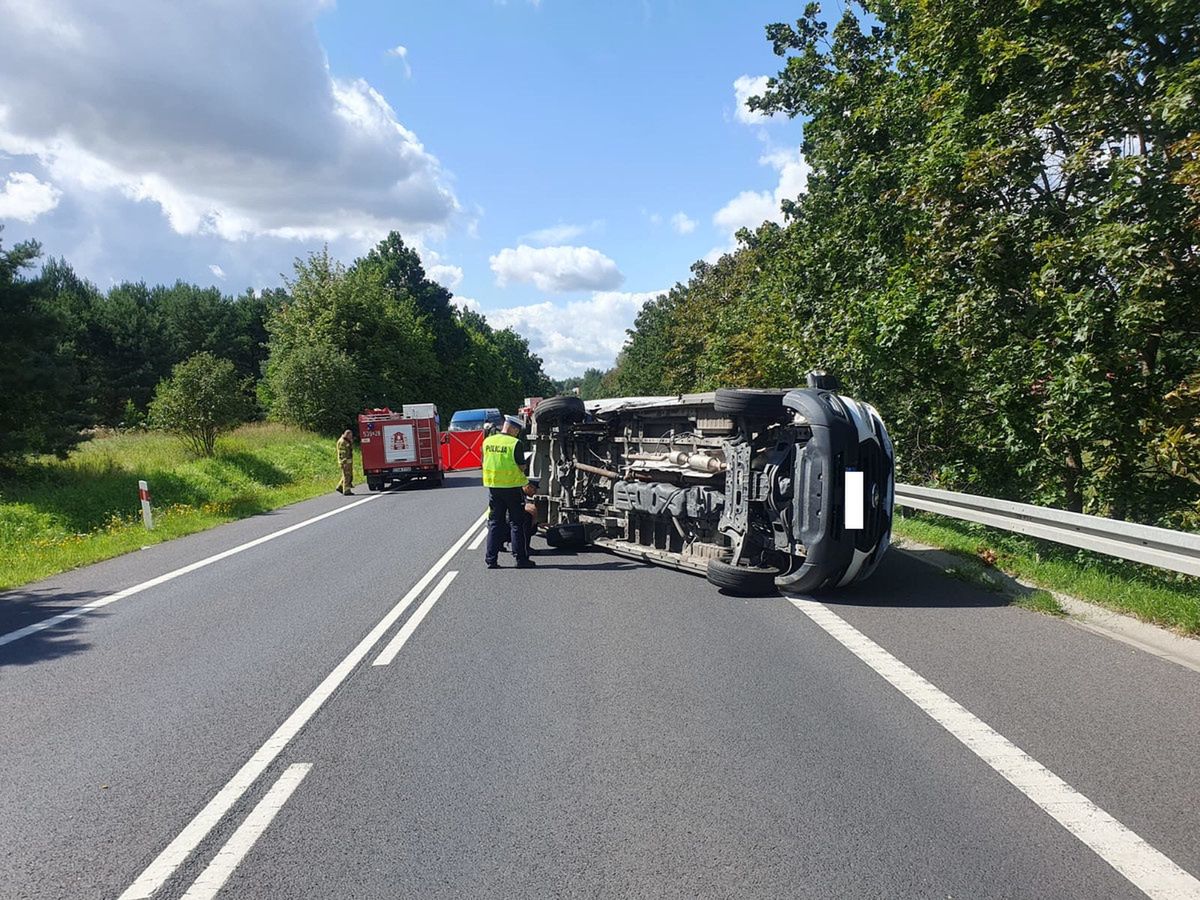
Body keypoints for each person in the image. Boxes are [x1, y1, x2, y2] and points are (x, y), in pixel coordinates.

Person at [482, 415, 534, 569]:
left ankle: (491, 559)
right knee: (516, 523)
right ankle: (521, 559)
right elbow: (521, 466)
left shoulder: (488, 441)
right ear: (512, 428)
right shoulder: (515, 443)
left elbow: (485, 461)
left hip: (494, 487)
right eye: (517, 431)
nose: (517, 434)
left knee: (494, 523)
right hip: (512, 488)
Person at [336, 429, 354, 495]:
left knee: (347, 475)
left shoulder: (346, 441)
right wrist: (344, 462)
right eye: (350, 436)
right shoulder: (342, 442)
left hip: (348, 461)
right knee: (347, 475)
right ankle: (346, 490)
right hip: (345, 462)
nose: (351, 437)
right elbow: (342, 453)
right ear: (347, 435)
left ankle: (340, 487)